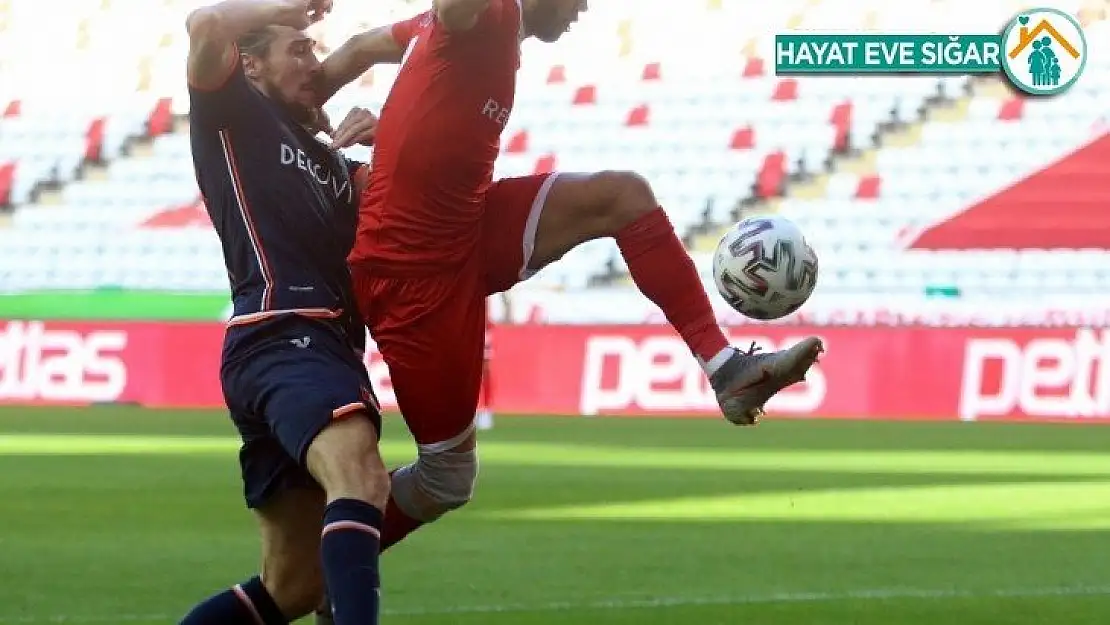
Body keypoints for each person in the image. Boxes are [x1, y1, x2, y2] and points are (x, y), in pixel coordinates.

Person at [314, 2, 824, 620]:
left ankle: (727, 370)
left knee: (623, 197)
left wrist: (308, 108)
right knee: (446, 479)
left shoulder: (449, 29)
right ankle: (330, 574)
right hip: (415, 276)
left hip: (463, 228)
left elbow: (359, 49)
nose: (584, 8)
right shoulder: (489, 15)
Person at [176, 1, 394, 624]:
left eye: (314, 49)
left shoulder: (330, 158)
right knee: (359, 473)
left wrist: (394, 138)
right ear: (250, 65)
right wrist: (285, 5)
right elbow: (205, 24)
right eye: (297, 49)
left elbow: (415, 212)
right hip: (284, 333)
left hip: (312, 348)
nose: (314, 63)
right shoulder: (234, 114)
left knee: (293, 588)